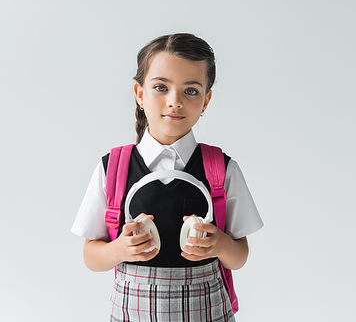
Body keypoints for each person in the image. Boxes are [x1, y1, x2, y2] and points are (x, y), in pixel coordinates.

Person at [71, 33, 264, 322]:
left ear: (206, 100)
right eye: (161, 87)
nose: (174, 102)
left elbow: (239, 256)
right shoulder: (113, 169)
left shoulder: (222, 170)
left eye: (191, 91)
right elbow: (91, 256)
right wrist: (119, 249)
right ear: (139, 93)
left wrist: (219, 245)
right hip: (132, 311)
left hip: (206, 309)